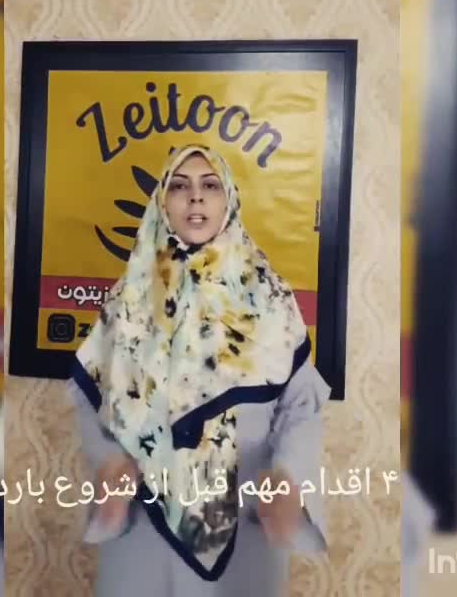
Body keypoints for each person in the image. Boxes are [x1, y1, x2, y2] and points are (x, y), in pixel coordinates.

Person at [68, 144, 332, 596]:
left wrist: (288, 476)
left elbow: (302, 407)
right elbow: (91, 396)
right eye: (179, 186)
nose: (195, 197)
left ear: (228, 201)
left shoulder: (270, 298)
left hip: (248, 512)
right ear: (163, 203)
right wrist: (109, 460)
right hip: (144, 514)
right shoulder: (130, 299)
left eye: (210, 185)